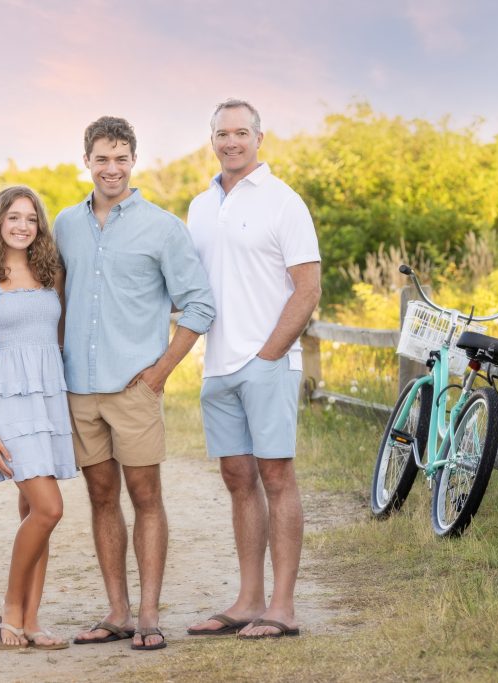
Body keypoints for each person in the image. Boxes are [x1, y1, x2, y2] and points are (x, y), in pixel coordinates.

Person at [54, 116, 215, 651]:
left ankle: (148, 614)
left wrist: (160, 372)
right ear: (87, 161)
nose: (112, 168)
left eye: (121, 158)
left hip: (133, 389)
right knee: (101, 497)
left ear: (133, 162)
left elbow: (200, 304)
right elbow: (54, 299)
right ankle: (117, 612)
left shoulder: (162, 228)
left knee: (146, 496)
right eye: (102, 158)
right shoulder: (64, 225)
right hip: (79, 388)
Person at [186, 99, 321, 640]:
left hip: (267, 363)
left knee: (277, 478)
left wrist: (268, 356)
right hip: (216, 367)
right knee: (237, 480)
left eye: (242, 132)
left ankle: (283, 606)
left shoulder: (284, 203)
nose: (232, 141)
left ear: (260, 138)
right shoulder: (198, 206)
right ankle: (248, 600)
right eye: (223, 133)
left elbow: (307, 289)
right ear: (212, 139)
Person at [0, 186, 77, 651]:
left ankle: (32, 620)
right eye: (14, 217)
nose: (22, 226)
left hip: (48, 399)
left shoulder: (52, 274)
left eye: (31, 219)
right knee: (50, 508)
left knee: (36, 513)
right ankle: (11, 610)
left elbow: (60, 336)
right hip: (7, 403)